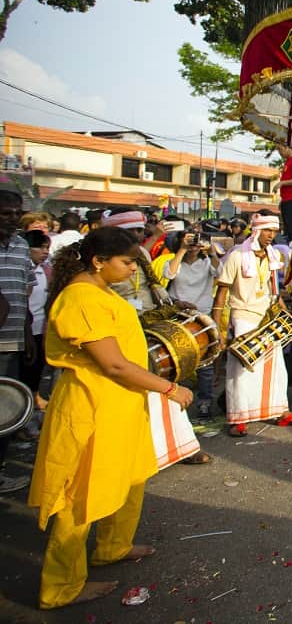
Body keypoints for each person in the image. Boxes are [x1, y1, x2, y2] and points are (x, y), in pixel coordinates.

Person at [28, 227, 194, 608]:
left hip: (121, 405)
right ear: (98, 262)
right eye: (127, 261)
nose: (134, 268)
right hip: (92, 406)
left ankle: (113, 546)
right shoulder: (80, 298)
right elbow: (114, 364)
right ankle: (60, 587)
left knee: (129, 477)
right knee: (79, 498)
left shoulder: (102, 291)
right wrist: (169, 388)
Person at [102, 211, 209, 468]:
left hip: (149, 327)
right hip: (119, 333)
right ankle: (138, 453)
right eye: (134, 231)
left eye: (141, 231)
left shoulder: (143, 255)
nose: (140, 236)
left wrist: (173, 304)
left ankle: (181, 447)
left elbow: (154, 286)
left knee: (165, 383)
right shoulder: (101, 263)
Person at [213, 213, 292, 436]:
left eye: (274, 232)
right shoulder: (237, 256)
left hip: (267, 318)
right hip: (243, 317)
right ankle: (238, 417)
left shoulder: (273, 255)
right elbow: (221, 295)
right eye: (268, 231)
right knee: (241, 371)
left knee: (276, 368)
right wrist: (218, 329)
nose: (271, 236)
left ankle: (279, 410)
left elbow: (274, 293)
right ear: (256, 231)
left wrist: (287, 316)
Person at [159, 225, 222, 420]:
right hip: (178, 318)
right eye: (190, 239)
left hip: (201, 317)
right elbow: (169, 274)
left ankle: (204, 404)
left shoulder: (206, 263)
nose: (195, 243)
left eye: (197, 240)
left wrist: (210, 249)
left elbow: (220, 272)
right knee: (177, 361)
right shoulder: (172, 261)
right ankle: (174, 403)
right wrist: (183, 249)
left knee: (205, 365)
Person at [0, 189, 33, 493]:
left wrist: (27, 335)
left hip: (13, 343)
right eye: (5, 213)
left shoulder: (22, 246)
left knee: (7, 413)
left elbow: (25, 292)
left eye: (17, 213)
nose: (13, 219)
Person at [20, 230, 52, 421]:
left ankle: (29, 415)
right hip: (22, 329)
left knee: (34, 373)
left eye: (47, 247)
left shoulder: (47, 271)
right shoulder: (24, 269)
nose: (45, 251)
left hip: (40, 328)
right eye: (40, 247)